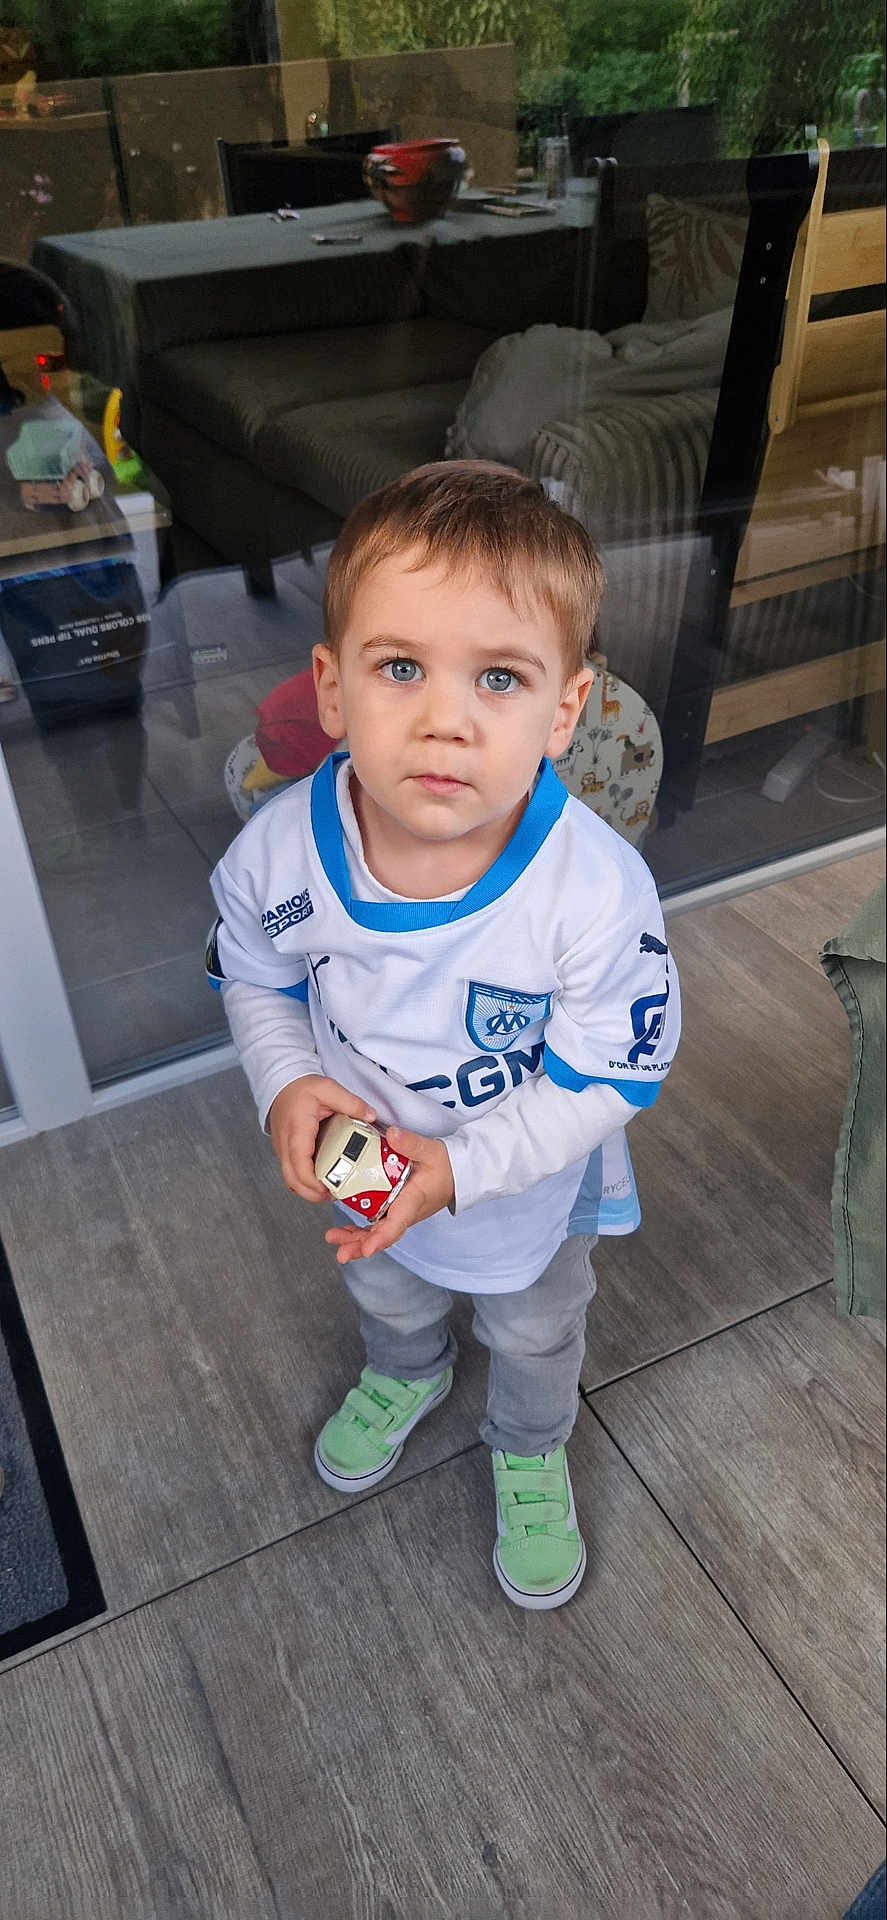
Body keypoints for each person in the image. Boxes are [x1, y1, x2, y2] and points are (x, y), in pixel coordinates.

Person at [206, 461, 680, 1610]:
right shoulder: (282, 856)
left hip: (526, 1181)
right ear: (331, 687)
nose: (443, 719)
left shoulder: (589, 893)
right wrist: (284, 1080)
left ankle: (525, 1444)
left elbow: (611, 1064)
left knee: (530, 1326)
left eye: (501, 677)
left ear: (564, 710)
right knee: (388, 1292)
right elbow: (255, 973)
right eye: (401, 666)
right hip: (369, 1169)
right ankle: (407, 1373)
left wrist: (463, 1169)